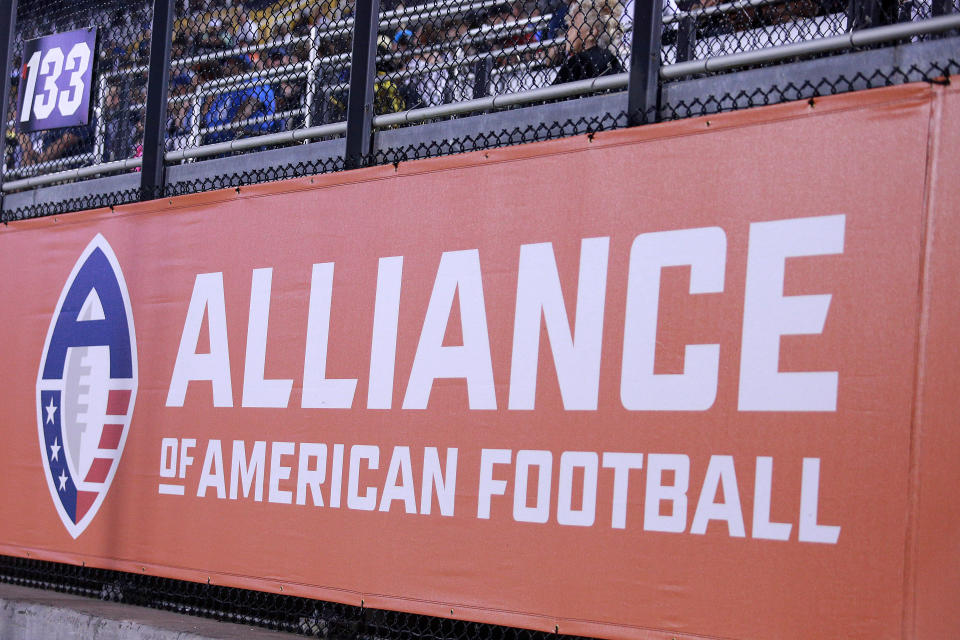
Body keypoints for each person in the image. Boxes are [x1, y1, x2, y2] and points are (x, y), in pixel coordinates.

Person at [552, 0, 624, 84]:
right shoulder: (611, 60)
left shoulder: (578, 62)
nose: (567, 33)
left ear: (591, 33)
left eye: (572, 26)